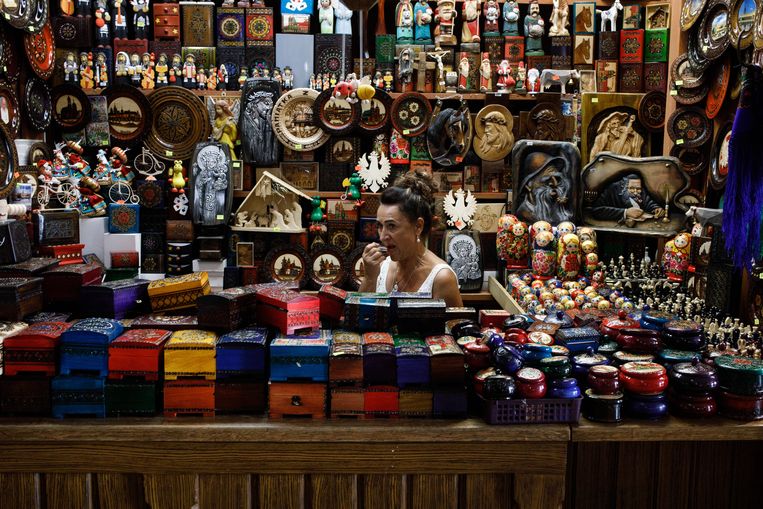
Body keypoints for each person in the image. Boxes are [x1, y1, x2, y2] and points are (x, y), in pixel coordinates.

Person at [360, 172, 463, 307]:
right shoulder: (380, 266)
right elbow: (359, 320)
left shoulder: (441, 278)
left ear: (418, 226)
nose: (382, 236)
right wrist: (369, 278)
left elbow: (455, 327)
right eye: (380, 226)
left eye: (392, 226)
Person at [588, 174, 666, 227]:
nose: (635, 192)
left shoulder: (640, 192)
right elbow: (596, 211)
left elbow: (648, 202)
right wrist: (626, 212)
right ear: (624, 188)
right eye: (631, 188)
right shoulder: (612, 190)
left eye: (638, 189)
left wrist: (656, 208)